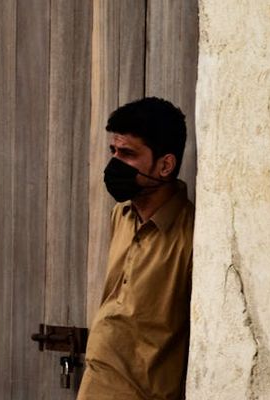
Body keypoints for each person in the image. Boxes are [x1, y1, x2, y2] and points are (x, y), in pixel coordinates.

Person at [78, 97, 194, 400]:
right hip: (95, 383)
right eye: (113, 151)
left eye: (127, 154)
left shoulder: (192, 235)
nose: (115, 163)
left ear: (165, 165)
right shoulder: (122, 215)